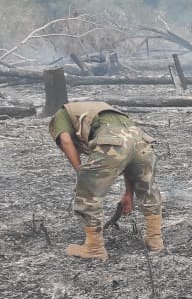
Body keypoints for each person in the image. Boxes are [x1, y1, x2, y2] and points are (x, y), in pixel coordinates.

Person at [49, 101, 165, 260]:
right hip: (141, 139)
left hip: (113, 140)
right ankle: (155, 240)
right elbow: (128, 157)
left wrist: (81, 174)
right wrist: (128, 193)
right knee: (148, 191)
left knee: (88, 195)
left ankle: (94, 248)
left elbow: (66, 141)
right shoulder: (101, 109)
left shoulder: (62, 113)